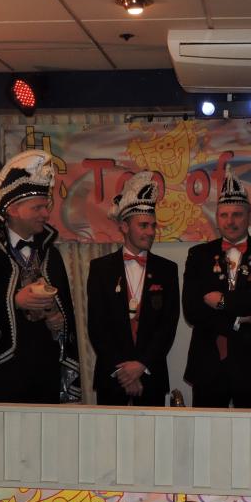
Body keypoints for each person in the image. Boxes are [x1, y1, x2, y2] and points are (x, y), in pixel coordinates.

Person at [0, 150, 80, 403]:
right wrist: (14, 302)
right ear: (13, 209)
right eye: (37, 207)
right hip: (0, 374)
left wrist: (58, 323)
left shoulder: (51, 255)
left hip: (45, 374)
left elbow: (65, 317)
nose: (46, 214)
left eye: (46, 206)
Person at [182, 166, 251, 408]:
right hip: (208, 367)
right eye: (224, 215)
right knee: (206, 432)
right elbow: (193, 311)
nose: (230, 222)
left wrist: (222, 302)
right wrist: (243, 317)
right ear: (217, 218)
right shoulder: (198, 255)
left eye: (237, 215)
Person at [86, 171, 180, 406]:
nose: (150, 232)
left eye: (153, 226)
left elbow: (168, 326)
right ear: (124, 226)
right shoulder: (100, 269)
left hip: (151, 376)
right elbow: (97, 326)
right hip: (112, 378)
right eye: (143, 225)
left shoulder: (167, 270)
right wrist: (123, 372)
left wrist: (141, 366)